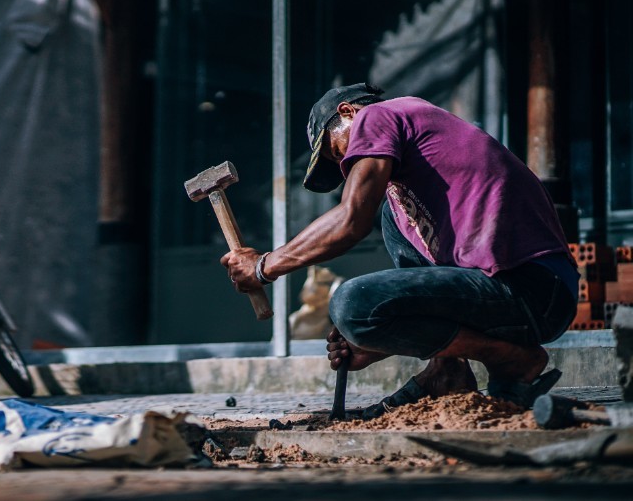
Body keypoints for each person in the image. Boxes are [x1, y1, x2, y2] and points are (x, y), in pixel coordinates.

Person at [221, 83, 578, 418]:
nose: (346, 167)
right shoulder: (414, 164)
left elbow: (351, 220)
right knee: (394, 211)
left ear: (347, 112)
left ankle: (510, 359)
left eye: (336, 151)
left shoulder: (380, 116)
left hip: (533, 288)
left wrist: (264, 266)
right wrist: (381, 338)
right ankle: (446, 370)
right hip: (521, 294)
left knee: (351, 302)